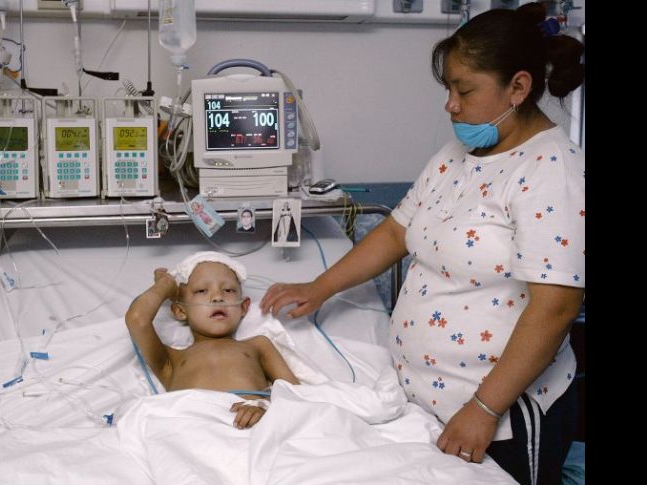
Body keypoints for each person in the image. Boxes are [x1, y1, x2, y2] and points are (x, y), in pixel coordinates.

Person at [260, 4, 584, 484]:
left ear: (518, 87)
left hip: (499, 417)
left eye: (464, 90)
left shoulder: (552, 171)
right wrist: (320, 287)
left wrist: (483, 408)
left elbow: (555, 307)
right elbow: (396, 231)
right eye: (448, 89)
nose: (450, 105)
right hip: (425, 405)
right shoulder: (457, 155)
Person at [125, 251, 300, 429]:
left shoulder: (258, 345)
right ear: (180, 311)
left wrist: (263, 408)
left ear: (243, 307)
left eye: (228, 290)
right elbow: (137, 318)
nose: (217, 297)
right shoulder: (172, 360)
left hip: (247, 426)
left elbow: (295, 394)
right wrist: (165, 284)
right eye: (201, 290)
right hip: (189, 428)